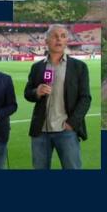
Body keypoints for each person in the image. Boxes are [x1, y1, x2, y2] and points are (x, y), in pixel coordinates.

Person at [24, 25, 92, 169]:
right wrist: (37, 91)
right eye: (55, 36)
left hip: (66, 131)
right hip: (40, 132)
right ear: (46, 40)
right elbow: (27, 93)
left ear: (66, 40)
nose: (59, 39)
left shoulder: (79, 67)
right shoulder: (37, 67)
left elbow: (85, 98)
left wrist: (72, 123)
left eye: (62, 36)